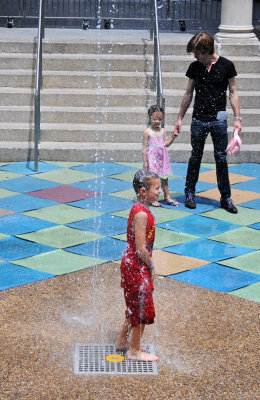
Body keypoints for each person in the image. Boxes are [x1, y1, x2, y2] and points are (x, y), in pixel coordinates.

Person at [174, 32, 242, 213]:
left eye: (198, 53)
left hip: (218, 121)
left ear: (208, 51)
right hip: (198, 120)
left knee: (221, 158)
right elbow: (188, 93)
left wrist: (237, 118)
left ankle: (226, 197)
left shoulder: (227, 66)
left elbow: (233, 93)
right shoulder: (195, 67)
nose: (195, 56)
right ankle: (189, 193)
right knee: (195, 156)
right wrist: (180, 117)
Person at [115, 169, 161, 362]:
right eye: (156, 188)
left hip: (131, 263)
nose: (159, 191)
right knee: (141, 306)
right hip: (137, 266)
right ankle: (134, 351)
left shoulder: (138, 209)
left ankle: (122, 342)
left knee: (134, 304)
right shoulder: (141, 214)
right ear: (143, 191)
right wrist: (151, 265)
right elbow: (141, 248)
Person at [143, 105, 179, 207]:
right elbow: (144, 147)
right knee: (153, 180)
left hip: (162, 158)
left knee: (164, 178)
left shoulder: (163, 131)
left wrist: (173, 138)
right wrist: (145, 161)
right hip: (153, 158)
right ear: (149, 118)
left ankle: (167, 197)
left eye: (160, 119)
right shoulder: (147, 132)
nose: (157, 121)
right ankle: (151, 198)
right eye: (155, 118)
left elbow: (166, 144)